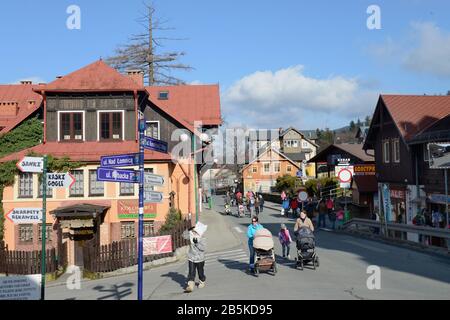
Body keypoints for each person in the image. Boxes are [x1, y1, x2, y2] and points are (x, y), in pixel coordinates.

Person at [182, 223, 207, 292]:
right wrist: (188, 230)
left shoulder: (202, 238)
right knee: (191, 272)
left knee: (200, 272)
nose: (193, 232)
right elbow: (184, 236)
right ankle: (190, 286)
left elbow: (203, 248)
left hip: (200, 258)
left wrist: (197, 243)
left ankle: (202, 281)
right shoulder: (191, 236)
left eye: (195, 231)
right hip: (191, 257)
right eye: (193, 231)